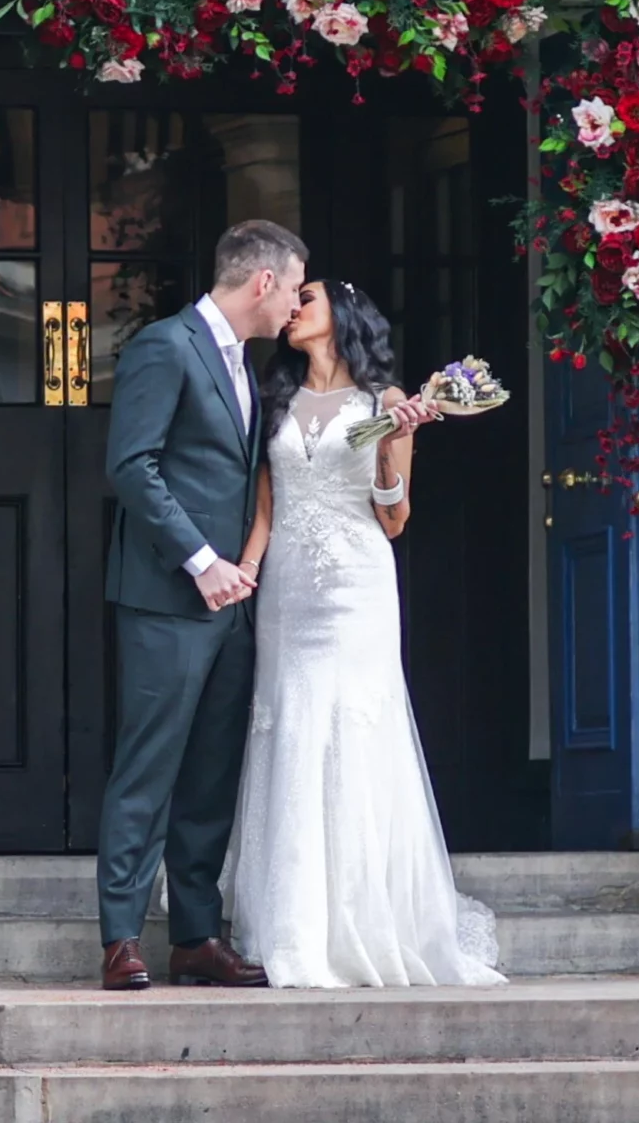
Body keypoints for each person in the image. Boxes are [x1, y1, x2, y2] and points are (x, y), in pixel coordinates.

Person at [229, 279, 506, 989]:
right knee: (288, 727)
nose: (294, 308)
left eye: (308, 297)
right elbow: (266, 502)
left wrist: (397, 446)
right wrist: (247, 573)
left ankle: (361, 918)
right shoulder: (277, 402)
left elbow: (394, 517)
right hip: (289, 588)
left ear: (341, 315)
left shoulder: (386, 404)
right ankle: (290, 920)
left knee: (354, 730)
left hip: (357, 586)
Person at [98, 219, 307, 992]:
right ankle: (120, 937)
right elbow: (132, 465)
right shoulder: (166, 345)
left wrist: (240, 572)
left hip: (234, 607)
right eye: (291, 287)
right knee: (147, 768)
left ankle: (195, 936)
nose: (293, 303)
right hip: (166, 597)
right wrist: (200, 560)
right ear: (262, 282)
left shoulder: (246, 365)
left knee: (211, 776)